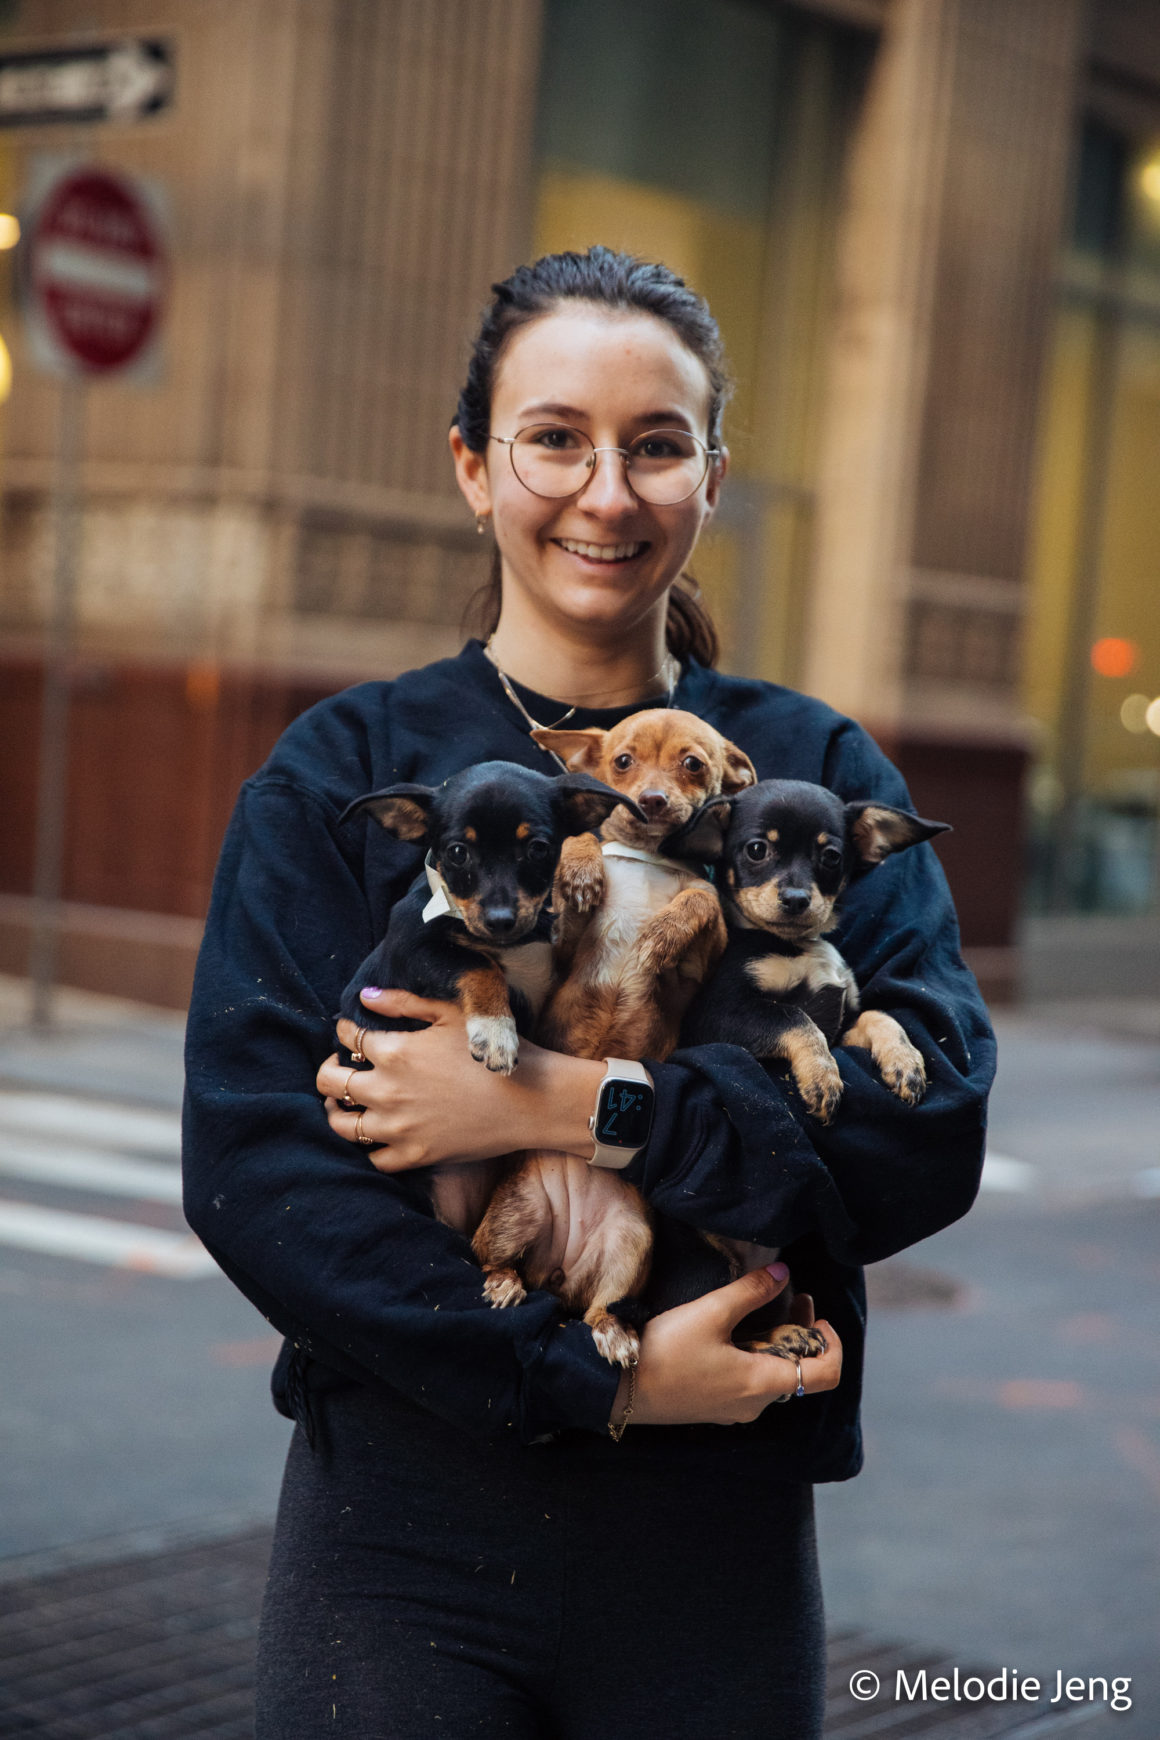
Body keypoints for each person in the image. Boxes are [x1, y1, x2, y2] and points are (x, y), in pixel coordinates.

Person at [182, 247, 995, 1739]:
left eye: (656, 446)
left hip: (715, 1551)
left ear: (712, 478)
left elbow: (924, 1127)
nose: (606, 493)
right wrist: (580, 1376)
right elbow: (256, 1172)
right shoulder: (344, 775)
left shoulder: (812, 775)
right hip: (405, 1542)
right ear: (473, 468)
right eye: (555, 437)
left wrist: (571, 1103)